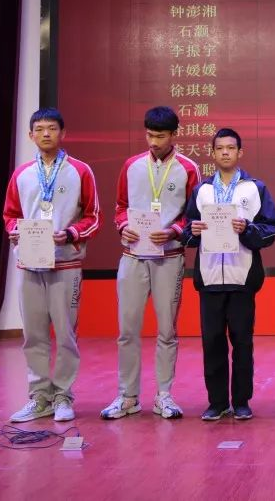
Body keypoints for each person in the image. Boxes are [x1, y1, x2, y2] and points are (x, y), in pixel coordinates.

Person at [101, 106, 200, 420]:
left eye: (160, 136)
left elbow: (193, 215)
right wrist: (122, 226)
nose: (154, 142)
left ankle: (164, 396)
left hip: (168, 258)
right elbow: (121, 206)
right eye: (149, 135)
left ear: (174, 135)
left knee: (167, 330)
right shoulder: (131, 166)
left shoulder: (188, 168)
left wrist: (173, 231)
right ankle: (127, 397)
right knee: (127, 330)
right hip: (132, 256)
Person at [3, 108, 101, 423]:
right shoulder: (21, 174)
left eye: (52, 128)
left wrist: (70, 233)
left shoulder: (80, 171)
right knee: (33, 335)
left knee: (66, 334)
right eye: (40, 129)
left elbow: (93, 216)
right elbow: (10, 215)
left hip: (65, 263)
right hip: (30, 264)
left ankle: (63, 396)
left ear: (63, 133)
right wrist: (14, 232)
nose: (46, 133)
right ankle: (39, 397)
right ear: (31, 135)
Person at [182, 129, 275, 421]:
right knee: (212, 342)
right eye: (220, 148)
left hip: (242, 278)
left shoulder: (255, 188)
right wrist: (193, 231)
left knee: (242, 342)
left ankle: (241, 401)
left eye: (231, 148)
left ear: (240, 152)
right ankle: (216, 402)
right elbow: (187, 229)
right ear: (212, 153)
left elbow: (271, 229)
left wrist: (247, 229)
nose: (225, 152)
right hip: (209, 277)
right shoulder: (202, 190)